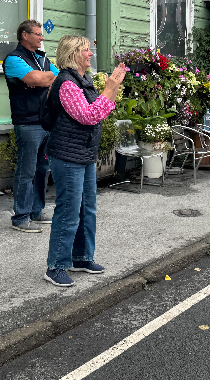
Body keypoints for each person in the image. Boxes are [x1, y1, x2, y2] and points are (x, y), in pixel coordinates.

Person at [43, 35, 126, 287]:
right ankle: (56, 266)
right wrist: (109, 90)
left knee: (87, 208)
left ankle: (81, 257)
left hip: (84, 152)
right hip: (67, 155)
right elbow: (88, 116)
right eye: (86, 50)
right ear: (72, 54)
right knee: (69, 211)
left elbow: (100, 111)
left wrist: (112, 90)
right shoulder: (67, 83)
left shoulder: (84, 80)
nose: (90, 54)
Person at [3, 20, 60, 233]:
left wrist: (44, 79)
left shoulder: (42, 58)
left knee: (42, 169)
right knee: (26, 171)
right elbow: (36, 78)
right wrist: (41, 79)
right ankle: (20, 217)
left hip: (45, 122)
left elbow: (58, 78)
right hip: (27, 123)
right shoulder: (13, 59)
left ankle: (36, 211)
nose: (41, 38)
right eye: (37, 34)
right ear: (25, 35)